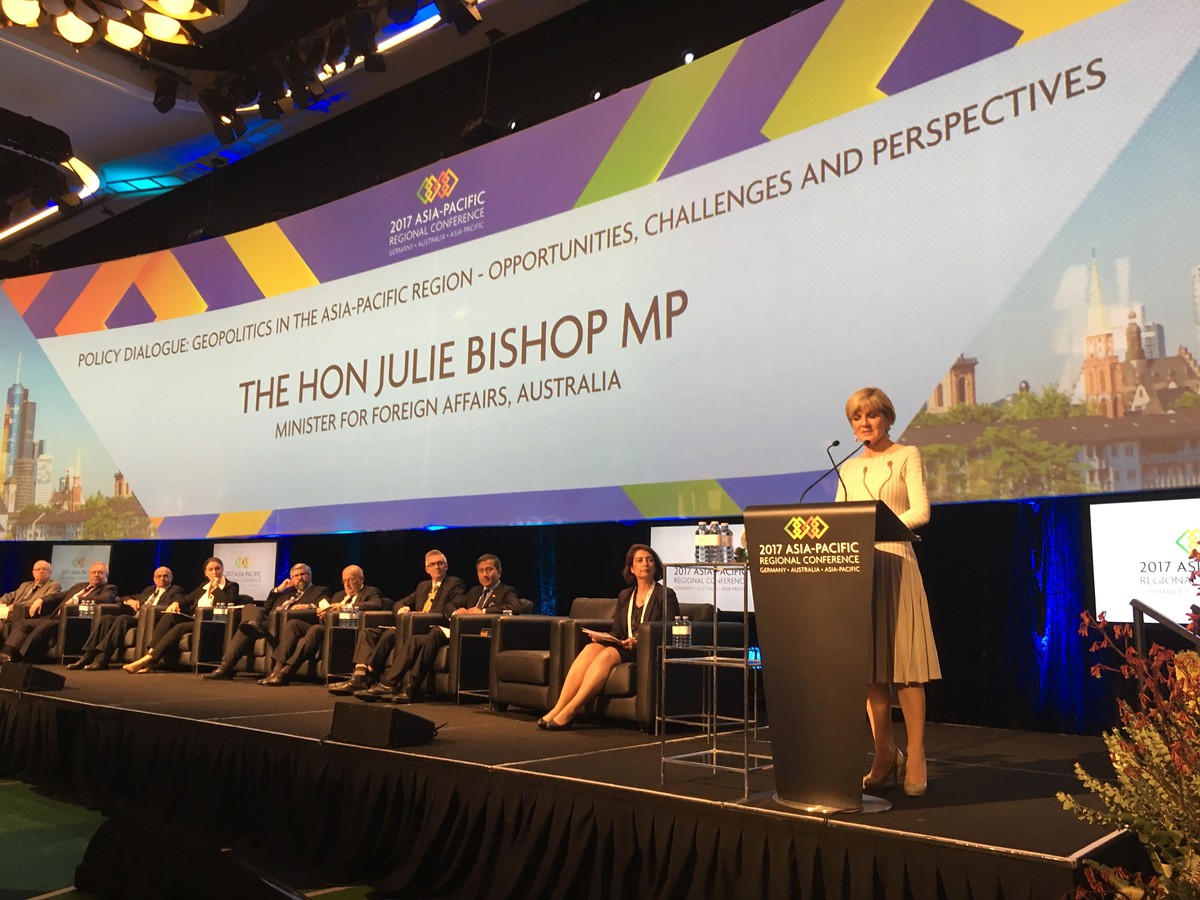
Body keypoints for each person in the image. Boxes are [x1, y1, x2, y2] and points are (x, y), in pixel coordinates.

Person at [836, 386, 940, 797]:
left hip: (897, 562)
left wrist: (876, 527)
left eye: (872, 415)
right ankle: (884, 751)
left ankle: (915, 755)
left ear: (888, 418)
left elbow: (921, 511)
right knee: (870, 670)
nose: (865, 423)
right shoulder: (847, 468)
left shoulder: (907, 455)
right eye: (857, 417)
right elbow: (838, 516)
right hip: (858, 569)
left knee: (906, 667)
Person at [538, 544, 679, 731]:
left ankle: (571, 710)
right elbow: (617, 631)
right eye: (639, 560)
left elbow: (670, 629)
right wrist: (603, 638)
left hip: (647, 650)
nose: (645, 564)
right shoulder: (626, 595)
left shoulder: (665, 594)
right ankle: (558, 707)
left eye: (650, 560)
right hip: (623, 645)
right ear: (631, 568)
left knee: (608, 654)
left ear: (655, 567)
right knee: (590, 648)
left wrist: (639, 641)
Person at [351, 553, 517, 703]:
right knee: (414, 640)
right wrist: (456, 611)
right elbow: (450, 606)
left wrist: (483, 612)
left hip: (479, 635)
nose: (485, 574)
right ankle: (388, 684)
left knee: (436, 631)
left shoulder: (506, 591)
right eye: (481, 571)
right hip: (459, 631)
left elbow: (513, 608)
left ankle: (413, 686)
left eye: (489, 570)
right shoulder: (474, 592)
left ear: (499, 572)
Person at [327, 549, 465, 695]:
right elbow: (399, 603)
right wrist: (401, 609)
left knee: (392, 634)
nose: (437, 567)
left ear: (446, 566)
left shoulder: (454, 583)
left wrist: (419, 616)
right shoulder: (423, 586)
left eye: (440, 563)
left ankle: (374, 679)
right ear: (427, 569)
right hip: (409, 625)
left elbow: (451, 607)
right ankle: (360, 676)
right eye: (432, 564)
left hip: (428, 627)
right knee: (369, 633)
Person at [260, 564, 383, 686]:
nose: (347, 584)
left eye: (351, 580)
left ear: (361, 579)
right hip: (329, 627)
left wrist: (345, 607)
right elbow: (328, 613)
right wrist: (324, 614)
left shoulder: (370, 592)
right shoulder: (339, 595)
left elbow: (375, 604)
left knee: (316, 629)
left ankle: (287, 671)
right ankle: (277, 669)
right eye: (344, 581)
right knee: (293, 624)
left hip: (346, 630)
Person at [203, 563, 328, 680]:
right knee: (249, 610)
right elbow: (267, 607)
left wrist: (309, 606)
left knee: (247, 628)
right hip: (270, 623)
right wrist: (278, 590)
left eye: (303, 574)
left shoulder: (319, 590)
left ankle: (251, 630)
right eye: (296, 576)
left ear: (310, 575)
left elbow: (325, 606)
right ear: (291, 578)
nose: (299, 578)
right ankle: (225, 667)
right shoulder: (287, 593)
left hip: (288, 626)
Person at [123, 558, 240, 674]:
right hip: (195, 619)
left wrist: (216, 589)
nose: (214, 572)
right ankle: (150, 656)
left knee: (180, 627)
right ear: (206, 573)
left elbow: (228, 602)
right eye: (211, 569)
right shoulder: (203, 586)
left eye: (217, 569)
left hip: (211, 622)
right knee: (170, 616)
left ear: (222, 569)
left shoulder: (231, 586)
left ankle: (148, 660)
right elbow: (187, 599)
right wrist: (176, 603)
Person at [0, 562, 117, 664]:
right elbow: (58, 596)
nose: (96, 574)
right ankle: (6, 653)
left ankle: (21, 657)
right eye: (94, 572)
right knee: (22, 624)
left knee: (43, 627)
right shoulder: (79, 586)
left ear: (106, 576)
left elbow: (105, 599)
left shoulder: (109, 588)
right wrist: (40, 600)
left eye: (100, 572)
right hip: (53, 617)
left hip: (70, 620)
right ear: (89, 574)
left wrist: (77, 599)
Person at [68, 567, 183, 670]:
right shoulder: (149, 590)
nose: (162, 578)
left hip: (150, 620)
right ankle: (88, 655)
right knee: (106, 618)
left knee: (123, 619)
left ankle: (102, 658)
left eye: (165, 576)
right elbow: (124, 597)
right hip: (136, 618)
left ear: (171, 578)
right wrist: (129, 600)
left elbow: (176, 602)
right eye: (159, 576)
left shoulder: (176, 590)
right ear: (154, 579)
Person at [0, 560, 60, 642]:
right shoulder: (25, 585)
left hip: (25, 613)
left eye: (44, 569)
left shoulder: (54, 585)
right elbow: (11, 595)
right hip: (10, 611)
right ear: (33, 573)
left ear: (50, 573)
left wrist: (16, 606)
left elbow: (47, 599)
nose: (41, 571)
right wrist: (1, 601)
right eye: (38, 569)